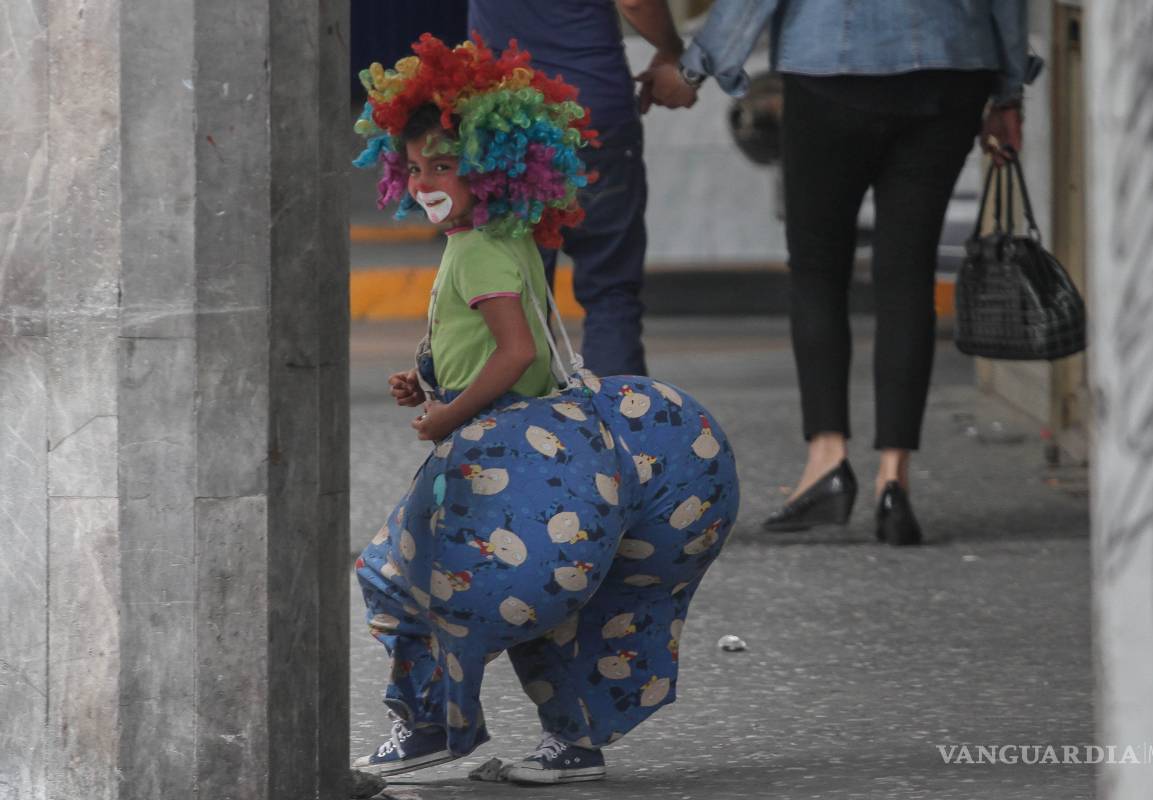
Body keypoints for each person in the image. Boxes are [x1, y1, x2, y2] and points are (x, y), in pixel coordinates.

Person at [349, 35, 739, 785]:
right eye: (418, 165)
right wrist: (426, 382)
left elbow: (515, 353)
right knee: (553, 607)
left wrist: (446, 415)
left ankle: (429, 724)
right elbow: (489, 344)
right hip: (549, 443)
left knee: (395, 575)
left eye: (446, 165)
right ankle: (572, 743)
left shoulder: (479, 252)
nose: (427, 181)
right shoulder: (495, 237)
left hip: (510, 451)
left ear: (493, 167)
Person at [644, 0, 1029, 545]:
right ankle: (894, 480)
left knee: (818, 271)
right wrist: (1009, 89)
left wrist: (693, 69)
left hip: (830, 68)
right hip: (951, 70)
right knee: (908, 273)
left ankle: (827, 460)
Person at [467, 0, 695, 378]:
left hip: (502, 118)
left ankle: (529, 431)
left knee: (519, 301)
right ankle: (618, 427)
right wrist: (672, 49)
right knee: (610, 290)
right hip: (590, 109)